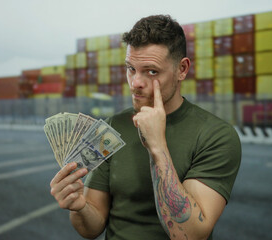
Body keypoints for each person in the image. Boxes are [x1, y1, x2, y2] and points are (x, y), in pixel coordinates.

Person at [50, 14, 241, 240]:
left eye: (151, 71)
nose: (136, 83)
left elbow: (189, 235)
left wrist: (157, 147)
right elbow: (90, 229)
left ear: (182, 69)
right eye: (131, 69)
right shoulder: (112, 128)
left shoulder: (216, 135)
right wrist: (79, 206)